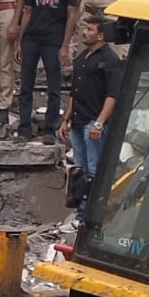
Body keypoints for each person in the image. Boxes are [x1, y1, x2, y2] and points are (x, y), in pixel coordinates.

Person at [60, 13, 121, 217]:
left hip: (93, 122)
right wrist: (66, 119)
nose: (85, 32)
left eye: (90, 30)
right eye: (86, 29)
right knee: (79, 170)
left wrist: (99, 123)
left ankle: (93, 213)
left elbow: (112, 95)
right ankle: (81, 212)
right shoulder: (81, 59)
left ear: (101, 36)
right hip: (77, 122)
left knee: (95, 170)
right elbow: (74, 92)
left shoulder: (110, 60)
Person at [14, 0, 77, 140]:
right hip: (32, 37)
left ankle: (50, 128)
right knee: (25, 84)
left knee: (53, 86)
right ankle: (24, 127)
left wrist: (65, 44)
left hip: (53, 39)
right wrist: (20, 40)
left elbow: (71, 12)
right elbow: (29, 10)